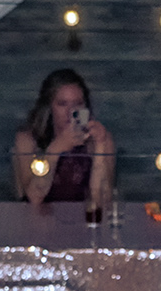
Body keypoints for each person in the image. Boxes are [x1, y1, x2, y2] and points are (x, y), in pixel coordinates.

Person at [12, 68, 115, 205]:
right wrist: (55, 150)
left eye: (78, 104)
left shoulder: (99, 139)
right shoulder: (28, 139)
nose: (71, 112)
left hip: (83, 220)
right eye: (62, 104)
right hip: (40, 221)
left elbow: (101, 200)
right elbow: (35, 197)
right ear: (49, 108)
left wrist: (100, 145)